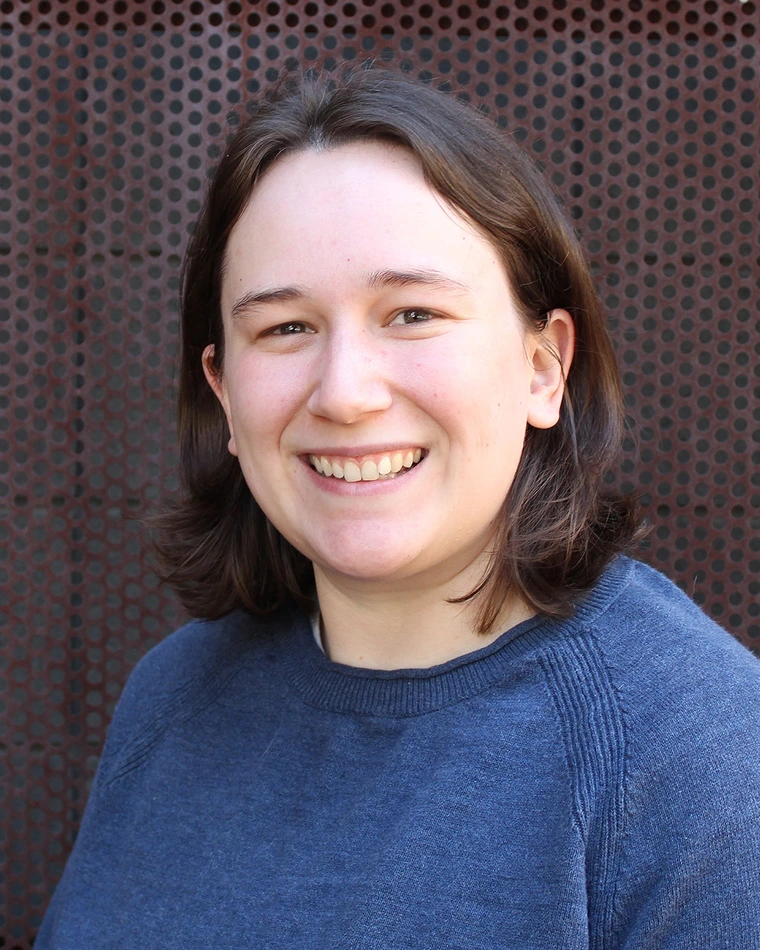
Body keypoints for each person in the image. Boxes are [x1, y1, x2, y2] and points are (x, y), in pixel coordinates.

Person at [37, 67, 760, 949]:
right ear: (224, 392)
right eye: (286, 328)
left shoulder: (701, 757)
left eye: (412, 313)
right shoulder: (174, 697)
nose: (344, 393)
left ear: (544, 368)